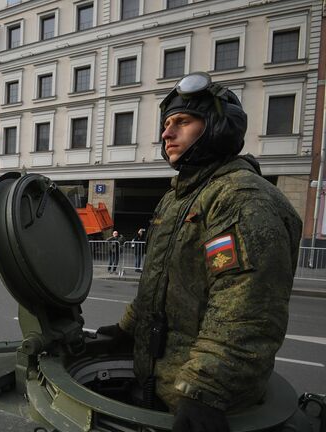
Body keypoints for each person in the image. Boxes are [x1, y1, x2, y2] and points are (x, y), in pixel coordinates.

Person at [96, 72, 302, 432]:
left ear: (218, 128)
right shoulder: (178, 197)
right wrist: (127, 328)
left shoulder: (240, 198)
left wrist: (206, 389)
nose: (166, 133)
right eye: (166, 124)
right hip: (161, 387)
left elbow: (246, 307)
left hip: (202, 405)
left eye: (182, 122)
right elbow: (160, 282)